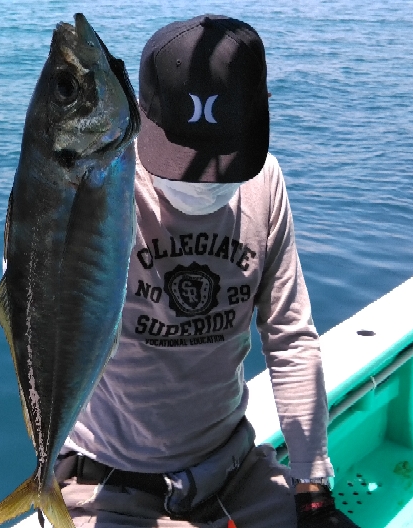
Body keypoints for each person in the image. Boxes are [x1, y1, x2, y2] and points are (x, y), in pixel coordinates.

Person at [53, 14, 358, 528]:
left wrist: (311, 488)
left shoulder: (267, 182)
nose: (202, 184)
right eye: (179, 155)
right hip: (107, 485)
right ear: (139, 117)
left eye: (224, 161)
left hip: (234, 473)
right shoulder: (95, 189)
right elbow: (37, 300)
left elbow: (290, 336)